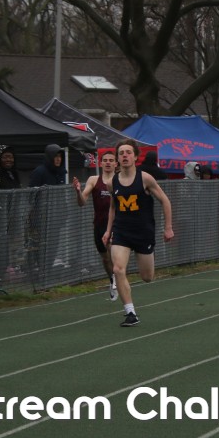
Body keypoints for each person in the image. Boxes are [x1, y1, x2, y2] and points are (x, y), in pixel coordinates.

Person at [102, 139, 174, 327]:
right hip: (121, 232)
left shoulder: (145, 178)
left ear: (135, 157)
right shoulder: (112, 182)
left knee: (147, 277)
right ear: (118, 159)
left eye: (128, 152)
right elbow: (113, 207)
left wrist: (168, 227)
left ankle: (144, 262)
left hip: (143, 232)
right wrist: (108, 230)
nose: (124, 155)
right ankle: (130, 313)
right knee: (118, 269)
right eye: (121, 153)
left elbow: (165, 200)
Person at [75, 148, 118, 299]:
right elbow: (82, 202)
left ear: (116, 164)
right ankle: (112, 279)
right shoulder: (94, 180)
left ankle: (118, 280)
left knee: (113, 253)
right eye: (105, 160)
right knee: (105, 258)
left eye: (111, 160)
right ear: (101, 163)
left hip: (116, 224)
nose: (108, 163)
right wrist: (78, 191)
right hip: (99, 225)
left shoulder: (120, 180)